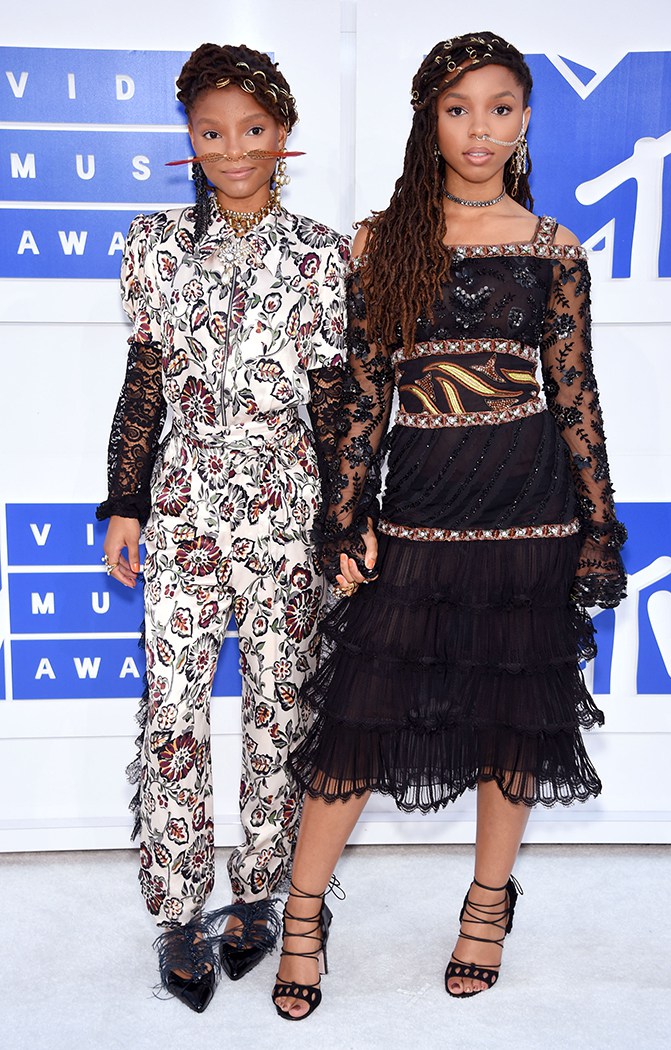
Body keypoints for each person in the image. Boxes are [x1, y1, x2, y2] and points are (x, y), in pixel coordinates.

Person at [270, 31, 627, 1020]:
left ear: (524, 119)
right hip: (419, 520)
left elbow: (574, 394)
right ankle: (303, 912)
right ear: (429, 118)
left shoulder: (553, 249)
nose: (480, 128)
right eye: (458, 107)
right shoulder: (380, 243)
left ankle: (484, 908)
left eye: (501, 107)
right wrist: (347, 517)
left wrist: (596, 524)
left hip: (530, 522)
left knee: (515, 722)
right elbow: (363, 395)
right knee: (354, 728)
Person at [96, 41, 348, 1013]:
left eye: (252, 129)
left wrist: (342, 522)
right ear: (188, 140)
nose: (233, 148)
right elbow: (144, 387)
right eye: (211, 131)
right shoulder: (154, 243)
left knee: (281, 719)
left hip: (287, 523)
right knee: (173, 717)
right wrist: (123, 504)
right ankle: (176, 908)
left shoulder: (323, 256)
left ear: (283, 134)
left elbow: (333, 405)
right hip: (184, 513)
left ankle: (255, 900)